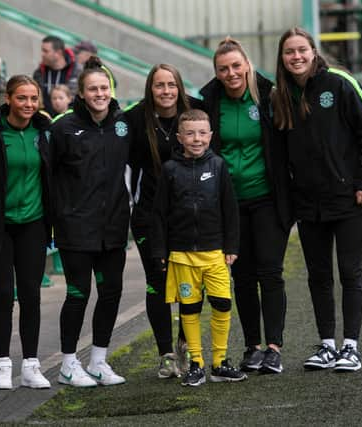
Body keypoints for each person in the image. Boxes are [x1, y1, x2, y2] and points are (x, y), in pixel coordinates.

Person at [272, 27, 362, 372]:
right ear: (282, 57)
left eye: (301, 50)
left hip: (350, 198)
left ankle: (350, 347)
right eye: (289, 52)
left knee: (350, 272)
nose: (296, 57)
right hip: (309, 204)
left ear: (313, 51)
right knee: (317, 275)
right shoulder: (281, 95)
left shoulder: (339, 82)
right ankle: (326, 345)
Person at [200, 38, 293, 374]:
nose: (231, 73)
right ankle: (252, 346)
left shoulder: (269, 96)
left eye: (236, 66)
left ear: (247, 65)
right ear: (217, 72)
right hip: (230, 204)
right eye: (223, 68)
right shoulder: (209, 100)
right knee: (241, 276)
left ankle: (273, 347)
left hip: (268, 199)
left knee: (270, 272)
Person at [49, 56, 131, 388]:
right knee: (78, 294)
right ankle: (68, 364)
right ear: (80, 93)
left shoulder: (123, 124)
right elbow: (49, 177)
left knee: (111, 291)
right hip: (76, 228)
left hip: (113, 226)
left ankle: (98, 360)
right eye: (93, 89)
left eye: (104, 88)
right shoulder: (63, 127)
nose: (99, 94)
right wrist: (57, 221)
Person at [151, 109, 247, 387]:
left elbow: (230, 209)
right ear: (179, 137)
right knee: (189, 310)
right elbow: (159, 214)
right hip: (181, 254)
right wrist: (159, 251)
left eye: (202, 133)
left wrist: (231, 245)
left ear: (211, 136)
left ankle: (219, 362)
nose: (196, 138)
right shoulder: (170, 170)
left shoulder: (218, 165)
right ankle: (197, 363)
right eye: (190, 133)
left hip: (215, 251)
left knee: (222, 303)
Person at [0, 75, 52, 390]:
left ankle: (31, 364)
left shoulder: (45, 132)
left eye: (33, 99)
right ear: (8, 98)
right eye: (22, 98)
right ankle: (1, 364)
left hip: (33, 223)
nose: (28, 105)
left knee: (31, 294)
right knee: (3, 295)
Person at [125, 64, 201, 378]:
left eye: (171, 84)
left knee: (189, 285)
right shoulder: (135, 118)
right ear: (150, 89)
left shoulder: (195, 114)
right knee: (157, 282)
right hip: (148, 217)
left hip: (188, 216)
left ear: (179, 88)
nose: (166, 91)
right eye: (159, 85)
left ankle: (185, 344)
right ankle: (165, 354)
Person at [32, 35, 82, 116]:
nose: (42, 54)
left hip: (70, 121)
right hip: (45, 121)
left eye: (45, 51)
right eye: (42, 51)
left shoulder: (77, 71)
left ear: (58, 53)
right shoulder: (39, 73)